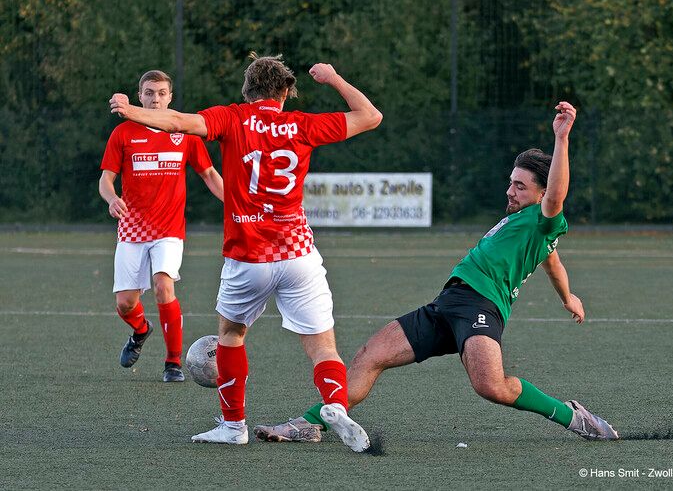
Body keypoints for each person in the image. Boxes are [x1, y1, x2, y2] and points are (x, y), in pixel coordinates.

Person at [253, 101, 620, 445]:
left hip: (482, 306)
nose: (510, 191)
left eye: (520, 187)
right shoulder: (523, 225)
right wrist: (567, 296)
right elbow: (553, 263)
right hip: (447, 304)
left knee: (491, 386)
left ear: (541, 194)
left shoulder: (543, 220)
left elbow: (556, 199)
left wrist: (561, 137)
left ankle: (572, 417)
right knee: (369, 356)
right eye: (511, 182)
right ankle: (309, 423)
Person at [109, 53, 382, 450]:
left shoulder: (232, 117)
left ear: (246, 90)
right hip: (298, 254)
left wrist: (132, 110)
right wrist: (335, 78)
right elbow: (370, 116)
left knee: (232, 335)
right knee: (323, 345)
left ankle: (233, 426)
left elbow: (178, 122)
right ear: (286, 91)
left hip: (248, 256)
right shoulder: (303, 124)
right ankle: (336, 404)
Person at [100, 69, 224, 383]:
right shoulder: (123, 133)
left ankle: (173, 363)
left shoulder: (184, 134)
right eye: (149, 93)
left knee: (163, 285)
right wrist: (112, 198)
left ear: (170, 98)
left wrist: (235, 202)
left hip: (169, 229)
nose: (155, 99)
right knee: (125, 303)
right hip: (132, 228)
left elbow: (209, 174)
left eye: (161, 94)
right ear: (140, 96)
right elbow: (105, 180)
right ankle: (141, 331)